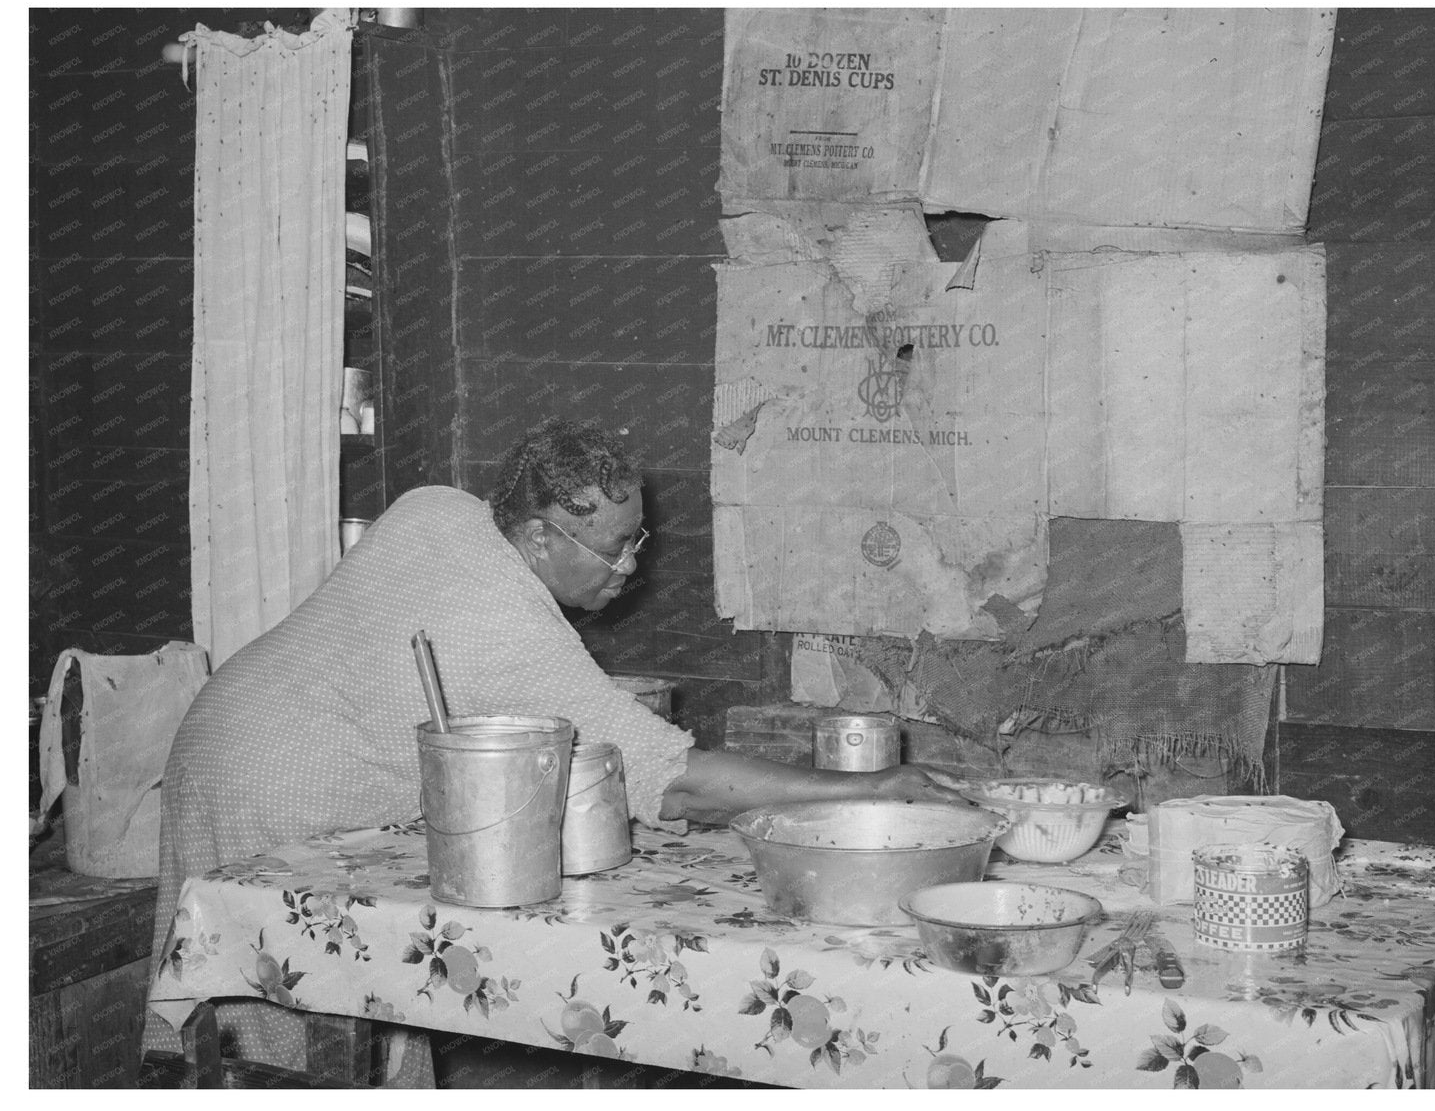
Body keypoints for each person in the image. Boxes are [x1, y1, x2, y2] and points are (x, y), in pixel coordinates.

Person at [147, 416, 961, 1082]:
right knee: (282, 1035)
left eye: (638, 538)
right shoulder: (505, 621)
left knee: (361, 1001)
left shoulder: (442, 508)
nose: (632, 568)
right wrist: (870, 787)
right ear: (538, 537)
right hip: (273, 784)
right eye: (616, 549)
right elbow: (674, 783)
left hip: (222, 726)